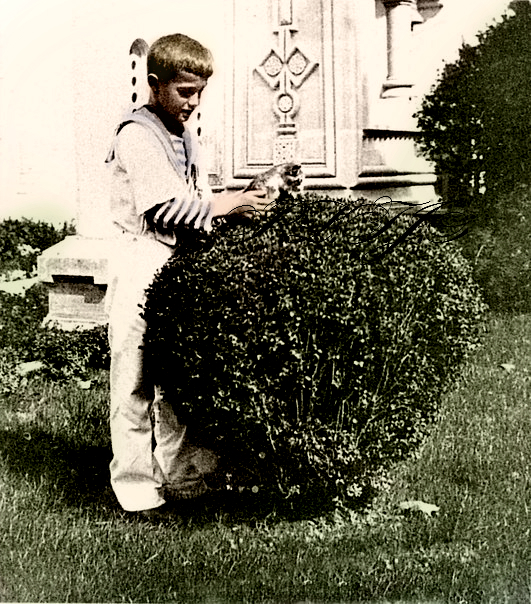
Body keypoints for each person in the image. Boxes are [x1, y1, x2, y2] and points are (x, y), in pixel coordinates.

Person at [104, 33, 268, 520]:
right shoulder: (136, 133)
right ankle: (135, 491)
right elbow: (168, 207)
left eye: (200, 93)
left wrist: (243, 196)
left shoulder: (184, 136)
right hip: (140, 260)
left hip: (176, 266)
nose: (194, 104)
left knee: (175, 380)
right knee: (134, 380)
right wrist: (233, 204)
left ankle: (179, 479)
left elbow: (200, 197)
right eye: (184, 92)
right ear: (155, 85)